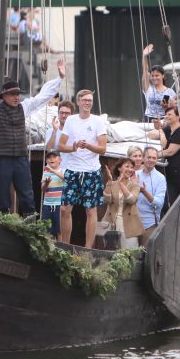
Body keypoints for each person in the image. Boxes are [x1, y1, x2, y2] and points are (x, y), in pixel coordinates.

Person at [0, 53, 64, 215]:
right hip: (2, 158)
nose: (17, 97)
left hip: (20, 157)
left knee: (27, 194)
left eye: (18, 94)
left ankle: (29, 221)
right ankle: (3, 223)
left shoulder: (24, 107)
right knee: (2, 196)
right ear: (4, 96)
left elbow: (42, 97)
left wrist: (59, 79)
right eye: (13, 94)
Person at [58, 89, 108, 248]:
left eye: (90, 100)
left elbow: (103, 149)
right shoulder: (71, 120)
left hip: (91, 171)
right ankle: (65, 246)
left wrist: (89, 146)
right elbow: (60, 146)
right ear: (78, 102)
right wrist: (73, 146)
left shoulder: (98, 121)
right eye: (85, 100)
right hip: (73, 170)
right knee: (65, 209)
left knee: (90, 211)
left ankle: (88, 248)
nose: (88, 103)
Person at [100, 158, 143, 249]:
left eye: (132, 167)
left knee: (130, 254)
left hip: (128, 225)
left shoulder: (135, 185)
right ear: (119, 168)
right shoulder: (112, 184)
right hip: (111, 224)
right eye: (127, 166)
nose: (130, 169)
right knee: (111, 254)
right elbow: (106, 200)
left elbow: (131, 200)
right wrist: (110, 182)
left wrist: (121, 184)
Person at [135, 146, 167, 246]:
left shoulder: (160, 178)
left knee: (146, 258)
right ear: (143, 158)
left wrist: (144, 192)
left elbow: (159, 204)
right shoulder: (135, 174)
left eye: (154, 158)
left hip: (149, 225)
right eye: (149, 157)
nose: (151, 160)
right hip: (132, 223)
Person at [141, 44, 176, 122]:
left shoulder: (169, 92)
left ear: (162, 76)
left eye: (157, 75)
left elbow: (172, 108)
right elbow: (145, 70)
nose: (154, 78)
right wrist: (144, 56)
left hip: (163, 119)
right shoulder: (148, 88)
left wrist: (167, 105)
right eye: (152, 75)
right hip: (148, 118)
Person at [40, 151, 65, 239]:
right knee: (46, 229)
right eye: (49, 157)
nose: (51, 159)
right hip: (47, 205)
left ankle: (61, 248)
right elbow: (43, 189)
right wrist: (46, 183)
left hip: (59, 205)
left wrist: (53, 171)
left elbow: (65, 177)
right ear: (46, 160)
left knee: (60, 230)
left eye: (54, 157)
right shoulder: (45, 173)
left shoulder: (63, 170)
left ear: (60, 160)